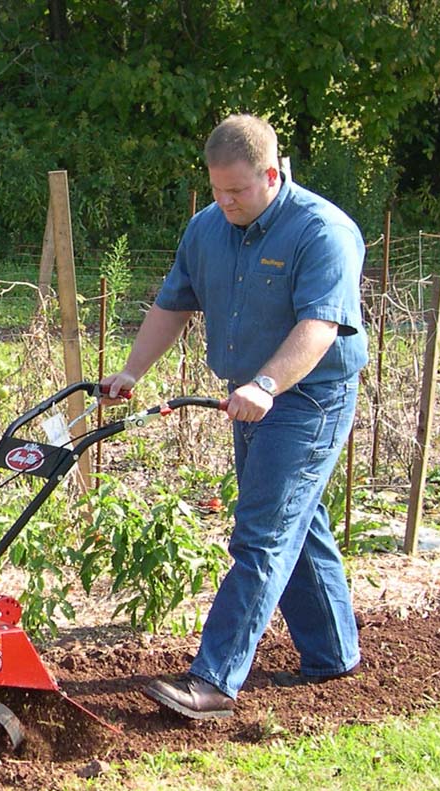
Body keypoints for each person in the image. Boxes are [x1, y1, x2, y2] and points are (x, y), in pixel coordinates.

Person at [101, 114, 367, 720]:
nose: (225, 202)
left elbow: (320, 326)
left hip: (308, 397)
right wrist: (131, 372)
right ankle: (332, 653)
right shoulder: (206, 229)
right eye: (217, 190)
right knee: (296, 521)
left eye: (238, 191)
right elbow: (173, 304)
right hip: (251, 397)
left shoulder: (321, 230)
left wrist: (269, 384)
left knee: (263, 534)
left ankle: (216, 679)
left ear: (272, 175)